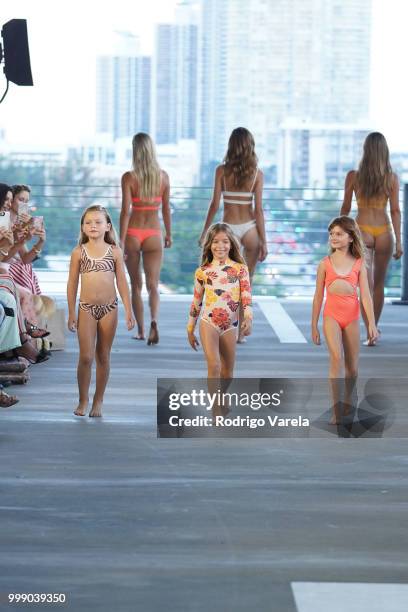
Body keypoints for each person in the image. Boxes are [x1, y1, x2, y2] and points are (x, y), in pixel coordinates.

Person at [199, 127, 267, 342]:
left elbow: (214, 205)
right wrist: (264, 241)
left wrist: (205, 233)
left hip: (229, 229)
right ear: (250, 146)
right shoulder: (257, 173)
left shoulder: (221, 171)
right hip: (250, 229)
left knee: (227, 283)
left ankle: (224, 326)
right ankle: (241, 333)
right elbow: (258, 210)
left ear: (231, 145)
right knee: (247, 282)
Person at [67, 206, 135, 417]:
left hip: (109, 308)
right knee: (86, 357)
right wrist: (71, 312)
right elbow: (72, 284)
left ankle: (98, 400)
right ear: (82, 227)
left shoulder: (114, 251)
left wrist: (129, 310)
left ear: (108, 226)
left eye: (97, 222)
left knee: (103, 356)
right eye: (88, 222)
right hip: (86, 308)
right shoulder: (79, 252)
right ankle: (83, 399)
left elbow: (122, 282)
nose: (93, 226)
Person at [311, 216, 378, 424]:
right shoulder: (325, 264)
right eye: (331, 234)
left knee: (352, 367)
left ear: (350, 237)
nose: (334, 237)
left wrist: (372, 325)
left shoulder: (359, 264)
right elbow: (317, 296)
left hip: (352, 317)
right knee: (336, 359)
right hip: (331, 315)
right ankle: (336, 409)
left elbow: (365, 296)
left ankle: (348, 399)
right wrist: (313, 325)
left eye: (339, 234)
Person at [340, 132, 403, 345]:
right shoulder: (392, 178)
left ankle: (369, 330)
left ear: (365, 151)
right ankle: (373, 329)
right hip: (385, 231)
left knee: (364, 285)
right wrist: (400, 242)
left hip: (362, 230)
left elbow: (346, 209)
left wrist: (338, 236)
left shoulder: (354, 176)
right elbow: (395, 211)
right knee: (379, 285)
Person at [120, 133, 171, 345]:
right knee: (153, 285)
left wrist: (120, 241)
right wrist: (169, 233)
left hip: (133, 233)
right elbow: (166, 209)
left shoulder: (129, 178)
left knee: (136, 285)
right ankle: (154, 321)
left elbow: (125, 212)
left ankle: (141, 331)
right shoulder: (163, 177)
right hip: (154, 234)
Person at [187, 223, 253, 382]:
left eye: (225, 241)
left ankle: (222, 401)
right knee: (214, 366)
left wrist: (249, 318)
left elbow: (246, 297)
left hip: (230, 326)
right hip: (208, 322)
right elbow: (196, 302)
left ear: (231, 244)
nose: (220, 246)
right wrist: (190, 329)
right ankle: (216, 407)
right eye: (215, 241)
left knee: (227, 373)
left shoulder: (240, 269)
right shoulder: (202, 272)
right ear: (209, 245)